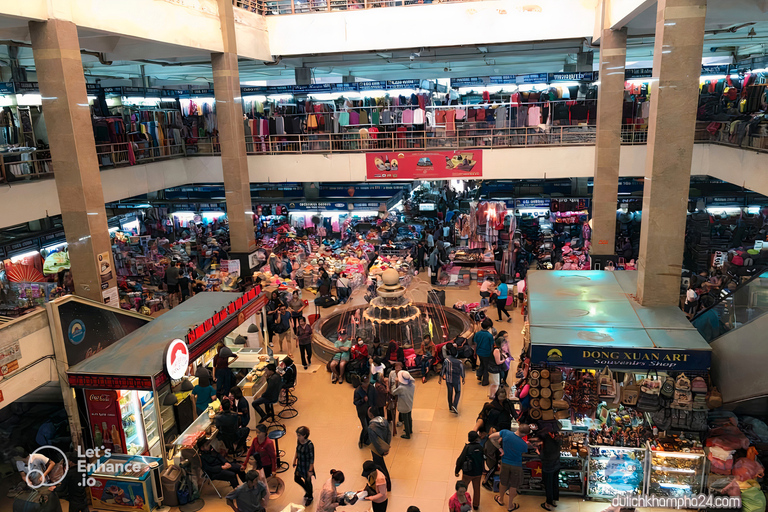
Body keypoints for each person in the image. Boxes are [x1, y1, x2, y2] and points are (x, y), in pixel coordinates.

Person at [490, 424, 531, 511]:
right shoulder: (524, 445)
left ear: (518, 428)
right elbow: (524, 452)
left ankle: (501, 499)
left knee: (503, 482)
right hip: (516, 465)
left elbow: (491, 437)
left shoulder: (505, 433)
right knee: (514, 485)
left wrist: (500, 448)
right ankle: (510, 505)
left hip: (505, 463)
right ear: (524, 435)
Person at [455, 431, 484, 510]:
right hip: (478, 472)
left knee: (463, 488)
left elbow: (461, 460)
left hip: (468, 472)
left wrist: (457, 471)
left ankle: (462, 503)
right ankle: (476, 504)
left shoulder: (467, 448)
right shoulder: (480, 447)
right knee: (477, 488)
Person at [367, 407, 392, 492]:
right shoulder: (384, 421)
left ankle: (387, 483)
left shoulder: (371, 427)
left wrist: (381, 451)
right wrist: (386, 445)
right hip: (384, 445)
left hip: (377, 449)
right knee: (381, 465)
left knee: (380, 466)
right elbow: (389, 433)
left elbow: (375, 442)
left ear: (371, 414)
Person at [538, 426, 562, 511]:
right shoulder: (557, 440)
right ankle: (554, 500)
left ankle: (548, 503)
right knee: (555, 483)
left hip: (548, 467)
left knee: (548, 485)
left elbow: (543, 457)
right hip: (556, 465)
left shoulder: (548, 444)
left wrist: (538, 451)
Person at [439, 344, 465, 413]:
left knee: (449, 392)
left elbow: (443, 369)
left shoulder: (446, 361)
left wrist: (440, 377)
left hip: (448, 379)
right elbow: (462, 371)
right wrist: (463, 378)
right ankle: (455, 405)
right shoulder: (459, 362)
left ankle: (450, 407)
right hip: (456, 379)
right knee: (458, 392)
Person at [293, 426, 315, 506]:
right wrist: (294, 460)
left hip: (307, 465)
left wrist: (310, 470)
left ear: (304, 435)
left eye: (299, 435)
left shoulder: (309, 445)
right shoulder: (299, 441)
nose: (298, 437)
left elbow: (312, 459)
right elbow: (297, 450)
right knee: (297, 478)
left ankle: (310, 496)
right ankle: (307, 490)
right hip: (300, 464)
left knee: (308, 481)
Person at [391, 369, 415, 439]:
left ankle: (407, 434)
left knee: (405, 419)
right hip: (409, 403)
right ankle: (410, 430)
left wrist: (395, 383)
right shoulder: (412, 385)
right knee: (409, 417)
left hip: (404, 405)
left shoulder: (401, 388)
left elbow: (393, 392)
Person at [354, 379, 375, 448]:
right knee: (365, 427)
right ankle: (361, 440)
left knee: (369, 425)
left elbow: (373, 397)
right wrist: (363, 400)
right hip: (362, 412)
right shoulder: (358, 391)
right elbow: (355, 402)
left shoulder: (371, 388)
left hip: (369, 411)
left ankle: (367, 440)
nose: (366, 385)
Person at [474, 318, 495, 386]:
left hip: (479, 352)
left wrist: (475, 352)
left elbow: (475, 344)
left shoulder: (477, 334)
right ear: (488, 327)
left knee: (482, 363)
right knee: (486, 367)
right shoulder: (489, 335)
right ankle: (485, 381)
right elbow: (491, 345)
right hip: (487, 353)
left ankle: (479, 375)